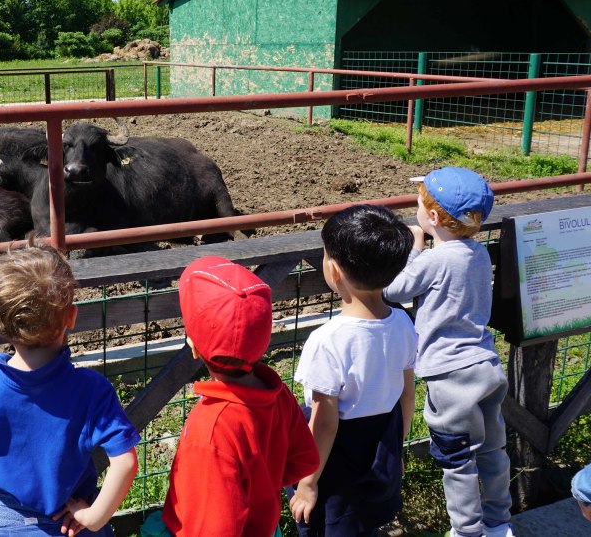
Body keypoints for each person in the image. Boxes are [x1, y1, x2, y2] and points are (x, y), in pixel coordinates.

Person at [0, 244, 140, 537]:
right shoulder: (91, 389)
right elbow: (125, 463)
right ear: (71, 317)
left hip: (4, 524)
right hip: (71, 524)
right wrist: (93, 517)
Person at [385, 167, 514, 537]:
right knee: (492, 450)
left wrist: (413, 248)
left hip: (450, 374)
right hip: (485, 363)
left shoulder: (435, 259)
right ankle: (498, 523)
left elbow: (396, 289)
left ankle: (467, 530)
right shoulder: (475, 254)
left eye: (420, 204)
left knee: (456, 458)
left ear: (434, 218)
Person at [156, 255, 319, 537]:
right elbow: (303, 460)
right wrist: (261, 481)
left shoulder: (210, 429)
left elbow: (212, 530)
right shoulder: (277, 394)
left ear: (193, 348)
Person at [291, 205, 418, 537]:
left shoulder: (327, 341)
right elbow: (408, 392)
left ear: (334, 272)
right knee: (367, 525)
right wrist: (396, 450)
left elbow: (325, 422)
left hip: (336, 462)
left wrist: (307, 484)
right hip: (381, 446)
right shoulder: (403, 323)